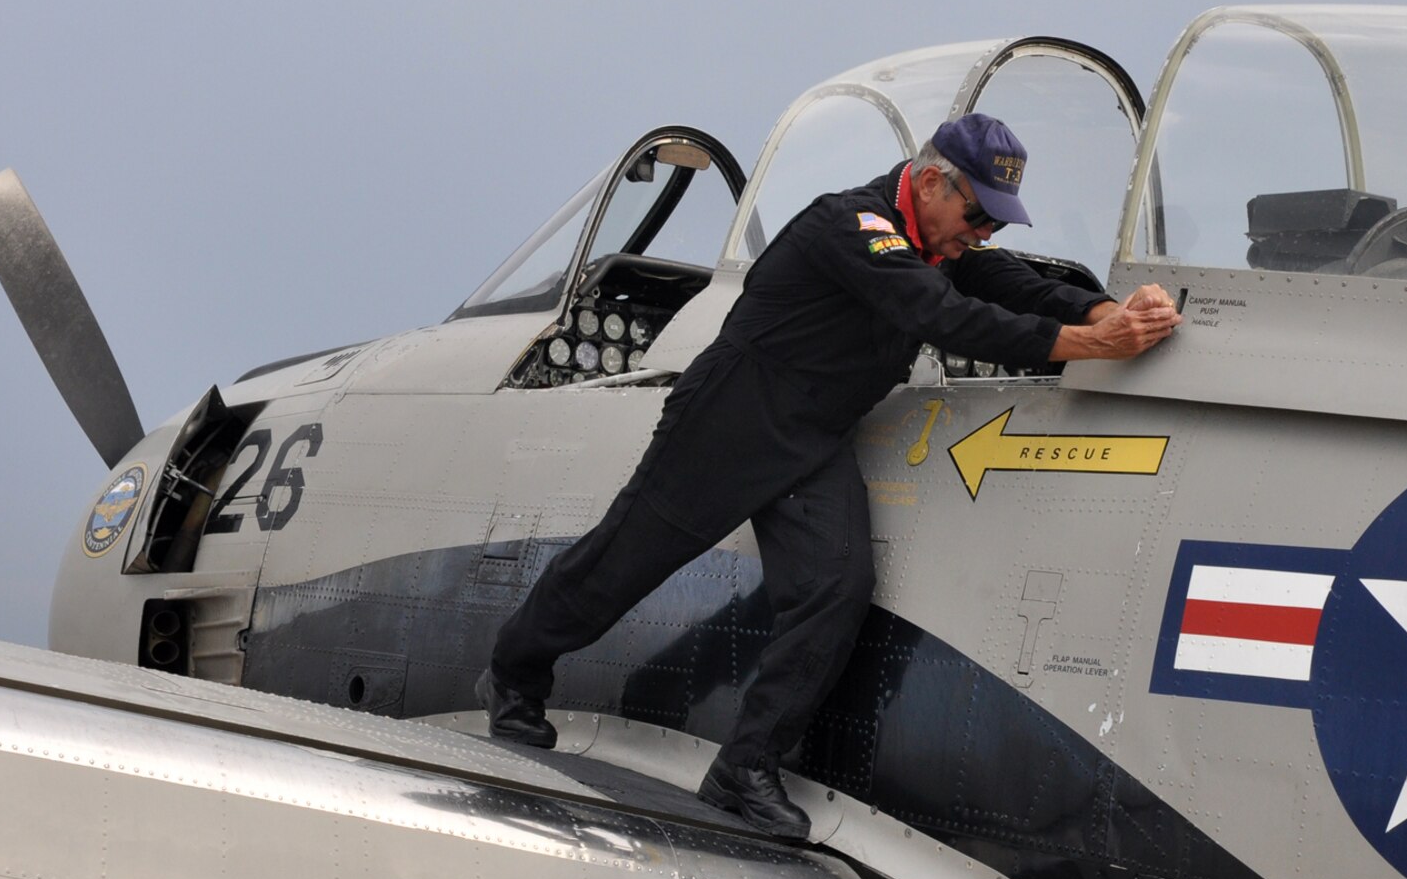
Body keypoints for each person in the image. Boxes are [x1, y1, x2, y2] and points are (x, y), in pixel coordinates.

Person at [478, 113, 1178, 838]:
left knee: (836, 589)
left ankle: (744, 768)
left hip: (812, 437)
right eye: (978, 215)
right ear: (933, 182)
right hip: (731, 422)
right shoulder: (855, 226)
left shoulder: (936, 239)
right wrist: (1088, 342)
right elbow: (940, 313)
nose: (984, 234)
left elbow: (1006, 280)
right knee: (621, 565)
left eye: (996, 222)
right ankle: (514, 670)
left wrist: (1105, 308)